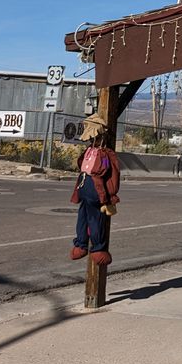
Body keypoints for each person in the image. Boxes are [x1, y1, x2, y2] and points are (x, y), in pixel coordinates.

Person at [69, 113, 121, 266]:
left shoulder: (106, 154)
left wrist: (111, 196)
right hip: (84, 188)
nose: (93, 140)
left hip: (96, 192)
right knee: (82, 218)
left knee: (96, 220)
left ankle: (98, 248)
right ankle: (81, 244)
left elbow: (113, 176)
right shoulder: (89, 151)